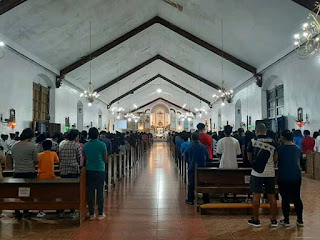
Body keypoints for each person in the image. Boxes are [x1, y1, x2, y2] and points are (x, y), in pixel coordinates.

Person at [247, 123, 278, 227]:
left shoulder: (252, 142)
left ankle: (256, 220)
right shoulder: (273, 142)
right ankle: (273, 220)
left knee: (256, 195)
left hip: (256, 172)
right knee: (271, 196)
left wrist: (255, 165)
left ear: (256, 131)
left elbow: (249, 158)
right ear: (266, 131)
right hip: (270, 172)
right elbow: (275, 158)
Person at [277, 130, 304, 227]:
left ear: (283, 138)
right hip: (296, 175)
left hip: (283, 175)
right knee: (297, 197)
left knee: (285, 198)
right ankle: (300, 220)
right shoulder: (297, 148)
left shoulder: (279, 149)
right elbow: (300, 161)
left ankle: (286, 220)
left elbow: (275, 160)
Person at [11, 128, 38, 218]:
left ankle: (17, 210)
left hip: (17, 171)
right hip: (29, 171)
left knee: (17, 192)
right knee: (28, 192)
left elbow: (13, 157)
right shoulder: (32, 146)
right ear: (30, 136)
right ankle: (26, 210)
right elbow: (36, 160)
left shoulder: (14, 146)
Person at [83, 128, 108, 221]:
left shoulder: (86, 145)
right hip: (100, 170)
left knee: (90, 192)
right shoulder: (102, 144)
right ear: (98, 135)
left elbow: (85, 157)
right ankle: (100, 213)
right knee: (100, 191)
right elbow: (105, 159)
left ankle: (91, 214)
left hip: (89, 170)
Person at [59, 129, 81, 218]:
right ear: (76, 136)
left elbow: (59, 156)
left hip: (63, 170)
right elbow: (79, 158)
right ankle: (72, 210)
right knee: (73, 191)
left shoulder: (62, 144)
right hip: (73, 170)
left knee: (63, 191)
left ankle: (62, 210)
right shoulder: (76, 145)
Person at [184, 132, 210, 205]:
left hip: (192, 167)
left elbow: (185, 157)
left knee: (191, 184)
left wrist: (189, 162)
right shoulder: (203, 146)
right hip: (202, 168)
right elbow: (208, 157)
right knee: (204, 183)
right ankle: (206, 199)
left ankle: (190, 199)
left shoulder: (189, 147)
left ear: (191, 138)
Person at [37, 140, 60, 218]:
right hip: (51, 176)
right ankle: (57, 208)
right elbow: (58, 162)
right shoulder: (53, 154)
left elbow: (36, 163)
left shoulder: (39, 155)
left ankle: (41, 211)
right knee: (54, 192)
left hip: (41, 177)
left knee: (41, 195)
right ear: (51, 146)